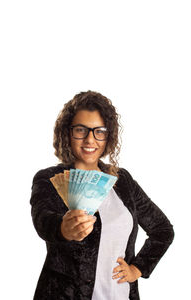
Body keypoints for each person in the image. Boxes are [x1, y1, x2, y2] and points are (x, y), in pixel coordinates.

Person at [30, 90, 174, 300]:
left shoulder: (122, 180)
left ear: (108, 136)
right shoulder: (50, 179)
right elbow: (43, 220)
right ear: (67, 133)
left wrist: (137, 269)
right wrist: (63, 228)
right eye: (81, 130)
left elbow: (162, 230)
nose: (90, 139)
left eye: (99, 131)